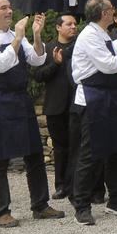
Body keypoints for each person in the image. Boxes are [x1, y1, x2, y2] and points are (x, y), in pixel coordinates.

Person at [0, 0, 64, 228]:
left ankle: (40, 205)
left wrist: (36, 34)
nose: (9, 10)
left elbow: (38, 59)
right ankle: (0, 211)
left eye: (10, 7)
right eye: (3, 8)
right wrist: (18, 37)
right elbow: (0, 64)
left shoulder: (17, 35)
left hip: (20, 100)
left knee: (34, 154)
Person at [71, 0, 117, 225]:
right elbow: (109, 65)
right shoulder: (90, 36)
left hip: (110, 95)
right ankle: (81, 205)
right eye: (112, 9)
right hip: (93, 98)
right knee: (90, 154)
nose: (114, 13)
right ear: (103, 14)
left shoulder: (103, 35)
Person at [31, 14, 78, 200]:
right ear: (58, 27)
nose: (73, 27)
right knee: (60, 148)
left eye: (75, 24)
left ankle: (77, 185)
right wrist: (56, 64)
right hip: (56, 106)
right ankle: (61, 185)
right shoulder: (47, 48)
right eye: (69, 24)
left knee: (78, 146)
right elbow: (38, 75)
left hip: (77, 104)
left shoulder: (80, 47)